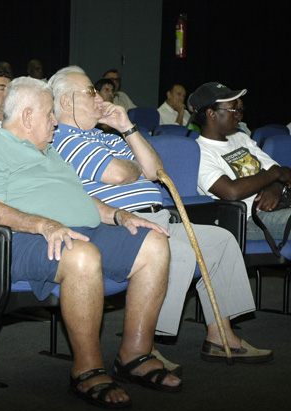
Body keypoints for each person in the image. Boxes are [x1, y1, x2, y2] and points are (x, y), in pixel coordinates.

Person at [0, 76, 181, 409]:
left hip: (77, 231)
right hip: (20, 240)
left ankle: (135, 353)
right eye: (50, 114)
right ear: (26, 116)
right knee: (82, 256)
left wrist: (119, 216)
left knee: (153, 242)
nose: (54, 121)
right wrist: (43, 224)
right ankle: (87, 369)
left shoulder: (50, 153)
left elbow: (80, 199)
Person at [49, 67, 272, 370]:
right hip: (119, 225)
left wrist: (127, 127)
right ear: (65, 102)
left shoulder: (107, 136)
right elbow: (115, 173)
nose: (100, 97)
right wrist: (132, 168)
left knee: (221, 240)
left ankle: (221, 336)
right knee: (176, 251)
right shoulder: (64, 138)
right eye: (90, 92)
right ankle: (142, 346)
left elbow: (155, 170)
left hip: (159, 219)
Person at [191, 82, 291, 241]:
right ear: (211, 113)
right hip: (247, 221)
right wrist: (275, 175)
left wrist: (276, 186)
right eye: (234, 110)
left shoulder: (240, 138)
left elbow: (281, 172)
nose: (239, 115)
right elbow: (231, 192)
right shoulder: (198, 152)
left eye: (240, 110)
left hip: (277, 208)